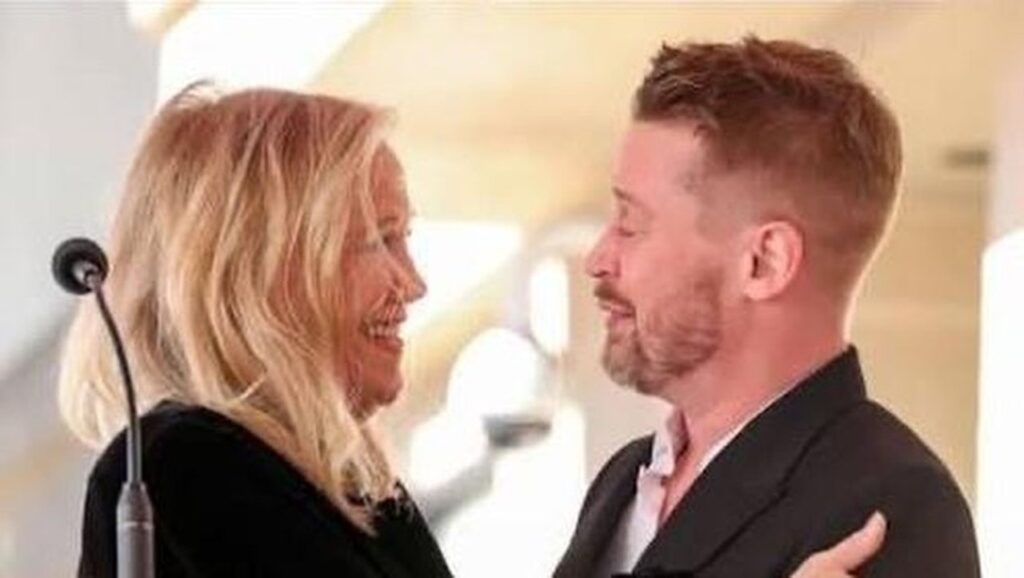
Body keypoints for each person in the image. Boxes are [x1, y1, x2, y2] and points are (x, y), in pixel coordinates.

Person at [555, 37, 980, 577]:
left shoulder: (893, 504)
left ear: (764, 261)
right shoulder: (623, 479)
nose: (598, 259)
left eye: (631, 224)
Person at [58, 84, 453, 578]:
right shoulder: (186, 465)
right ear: (260, 266)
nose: (413, 284)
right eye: (380, 239)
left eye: (403, 238)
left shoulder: (362, 491)